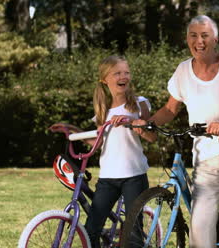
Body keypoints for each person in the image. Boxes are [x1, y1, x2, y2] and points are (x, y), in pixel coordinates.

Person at [133, 15, 219, 248]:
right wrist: (148, 122)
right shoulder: (183, 71)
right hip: (206, 154)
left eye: (204, 35)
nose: (199, 41)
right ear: (187, 39)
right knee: (200, 221)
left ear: (215, 39)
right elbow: (170, 109)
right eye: (193, 35)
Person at [50, 55, 154, 248]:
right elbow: (97, 142)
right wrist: (71, 128)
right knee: (91, 229)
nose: (123, 76)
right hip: (108, 177)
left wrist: (132, 122)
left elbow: (152, 136)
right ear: (105, 79)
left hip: (134, 175)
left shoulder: (139, 103)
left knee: (133, 234)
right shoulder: (103, 110)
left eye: (126, 72)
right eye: (117, 73)